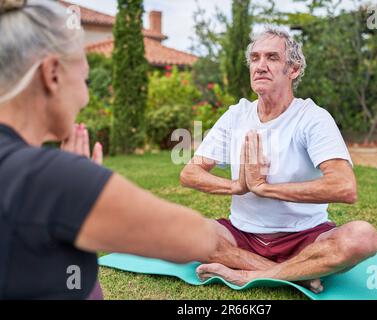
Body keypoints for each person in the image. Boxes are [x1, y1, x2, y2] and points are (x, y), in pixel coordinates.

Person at [0, 0, 218, 299]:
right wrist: (76, 185)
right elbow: (198, 238)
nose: (87, 98)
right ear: (52, 73)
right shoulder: (52, 178)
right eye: (85, 78)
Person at [180, 27, 377, 293]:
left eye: (272, 58)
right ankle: (293, 273)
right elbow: (190, 173)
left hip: (305, 239)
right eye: (255, 58)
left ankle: (245, 275)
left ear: (293, 69)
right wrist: (238, 186)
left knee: (363, 238)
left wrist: (265, 188)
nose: (260, 66)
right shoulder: (236, 115)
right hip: (242, 235)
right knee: (179, 228)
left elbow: (345, 187)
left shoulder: (312, 118)